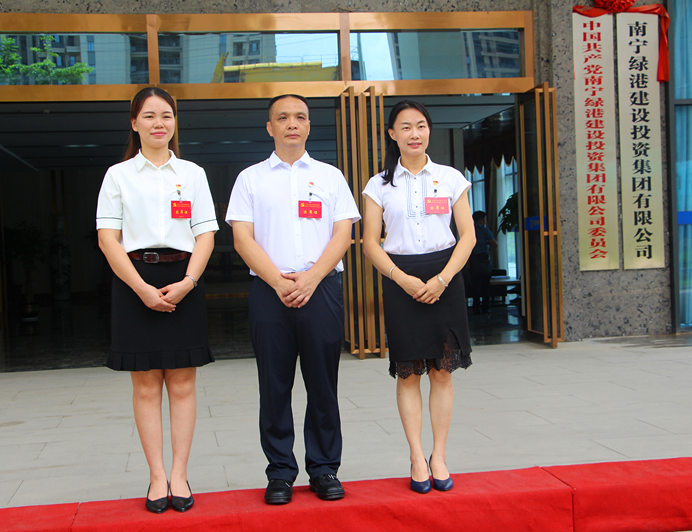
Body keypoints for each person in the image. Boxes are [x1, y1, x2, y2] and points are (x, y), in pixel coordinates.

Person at [226, 94, 360, 505]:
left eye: (300, 117)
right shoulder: (250, 179)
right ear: (270, 127)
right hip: (270, 292)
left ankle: (324, 469)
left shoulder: (330, 176)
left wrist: (312, 278)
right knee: (274, 385)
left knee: (323, 385)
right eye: (282, 117)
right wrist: (278, 282)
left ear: (308, 125)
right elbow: (242, 238)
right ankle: (280, 473)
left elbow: (343, 234)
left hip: (322, 290)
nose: (292, 124)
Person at [96, 87, 217, 514]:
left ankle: (179, 474)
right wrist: (140, 288)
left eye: (166, 115)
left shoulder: (193, 173)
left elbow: (206, 234)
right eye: (148, 116)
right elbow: (108, 239)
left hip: (184, 279)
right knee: (146, 384)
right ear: (134, 124)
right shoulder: (118, 175)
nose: (158, 123)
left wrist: (189, 281)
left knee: (182, 383)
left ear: (174, 122)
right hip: (134, 280)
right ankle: (156, 476)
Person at [361, 100, 475, 494]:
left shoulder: (450, 178)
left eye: (421, 125)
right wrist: (401, 279)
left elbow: (468, 236)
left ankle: (439, 456)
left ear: (429, 130)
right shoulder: (378, 185)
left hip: (446, 276)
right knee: (409, 373)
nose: (414, 133)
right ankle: (416, 456)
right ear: (392, 134)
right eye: (406, 126)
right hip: (400, 279)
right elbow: (370, 243)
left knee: (442, 371)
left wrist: (442, 279)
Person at [468, 211, 498, 314]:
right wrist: (487, 242)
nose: (485, 221)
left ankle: (476, 308)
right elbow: (495, 244)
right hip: (483, 260)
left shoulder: (470, 230)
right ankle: (485, 308)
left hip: (473, 260)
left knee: (475, 286)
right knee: (485, 286)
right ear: (481, 219)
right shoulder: (485, 231)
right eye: (484, 219)